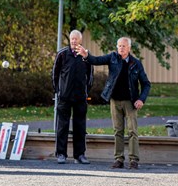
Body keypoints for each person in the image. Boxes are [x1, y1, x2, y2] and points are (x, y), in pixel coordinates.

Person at [78, 37, 151, 170]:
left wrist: (141, 99)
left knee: (132, 131)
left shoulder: (136, 63)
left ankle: (134, 160)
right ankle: (119, 159)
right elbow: (96, 60)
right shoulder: (112, 57)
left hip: (131, 101)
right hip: (115, 100)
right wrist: (86, 55)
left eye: (123, 46)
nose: (121, 48)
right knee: (118, 131)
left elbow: (146, 84)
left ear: (129, 48)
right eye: (119, 46)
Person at [52, 29, 93, 164]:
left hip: (80, 97)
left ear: (80, 40)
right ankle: (61, 154)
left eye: (76, 39)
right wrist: (58, 91)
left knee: (80, 126)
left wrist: (86, 91)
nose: (74, 41)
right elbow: (55, 74)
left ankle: (80, 155)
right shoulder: (62, 54)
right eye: (72, 39)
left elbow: (90, 76)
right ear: (69, 40)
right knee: (62, 126)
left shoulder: (85, 55)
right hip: (64, 96)